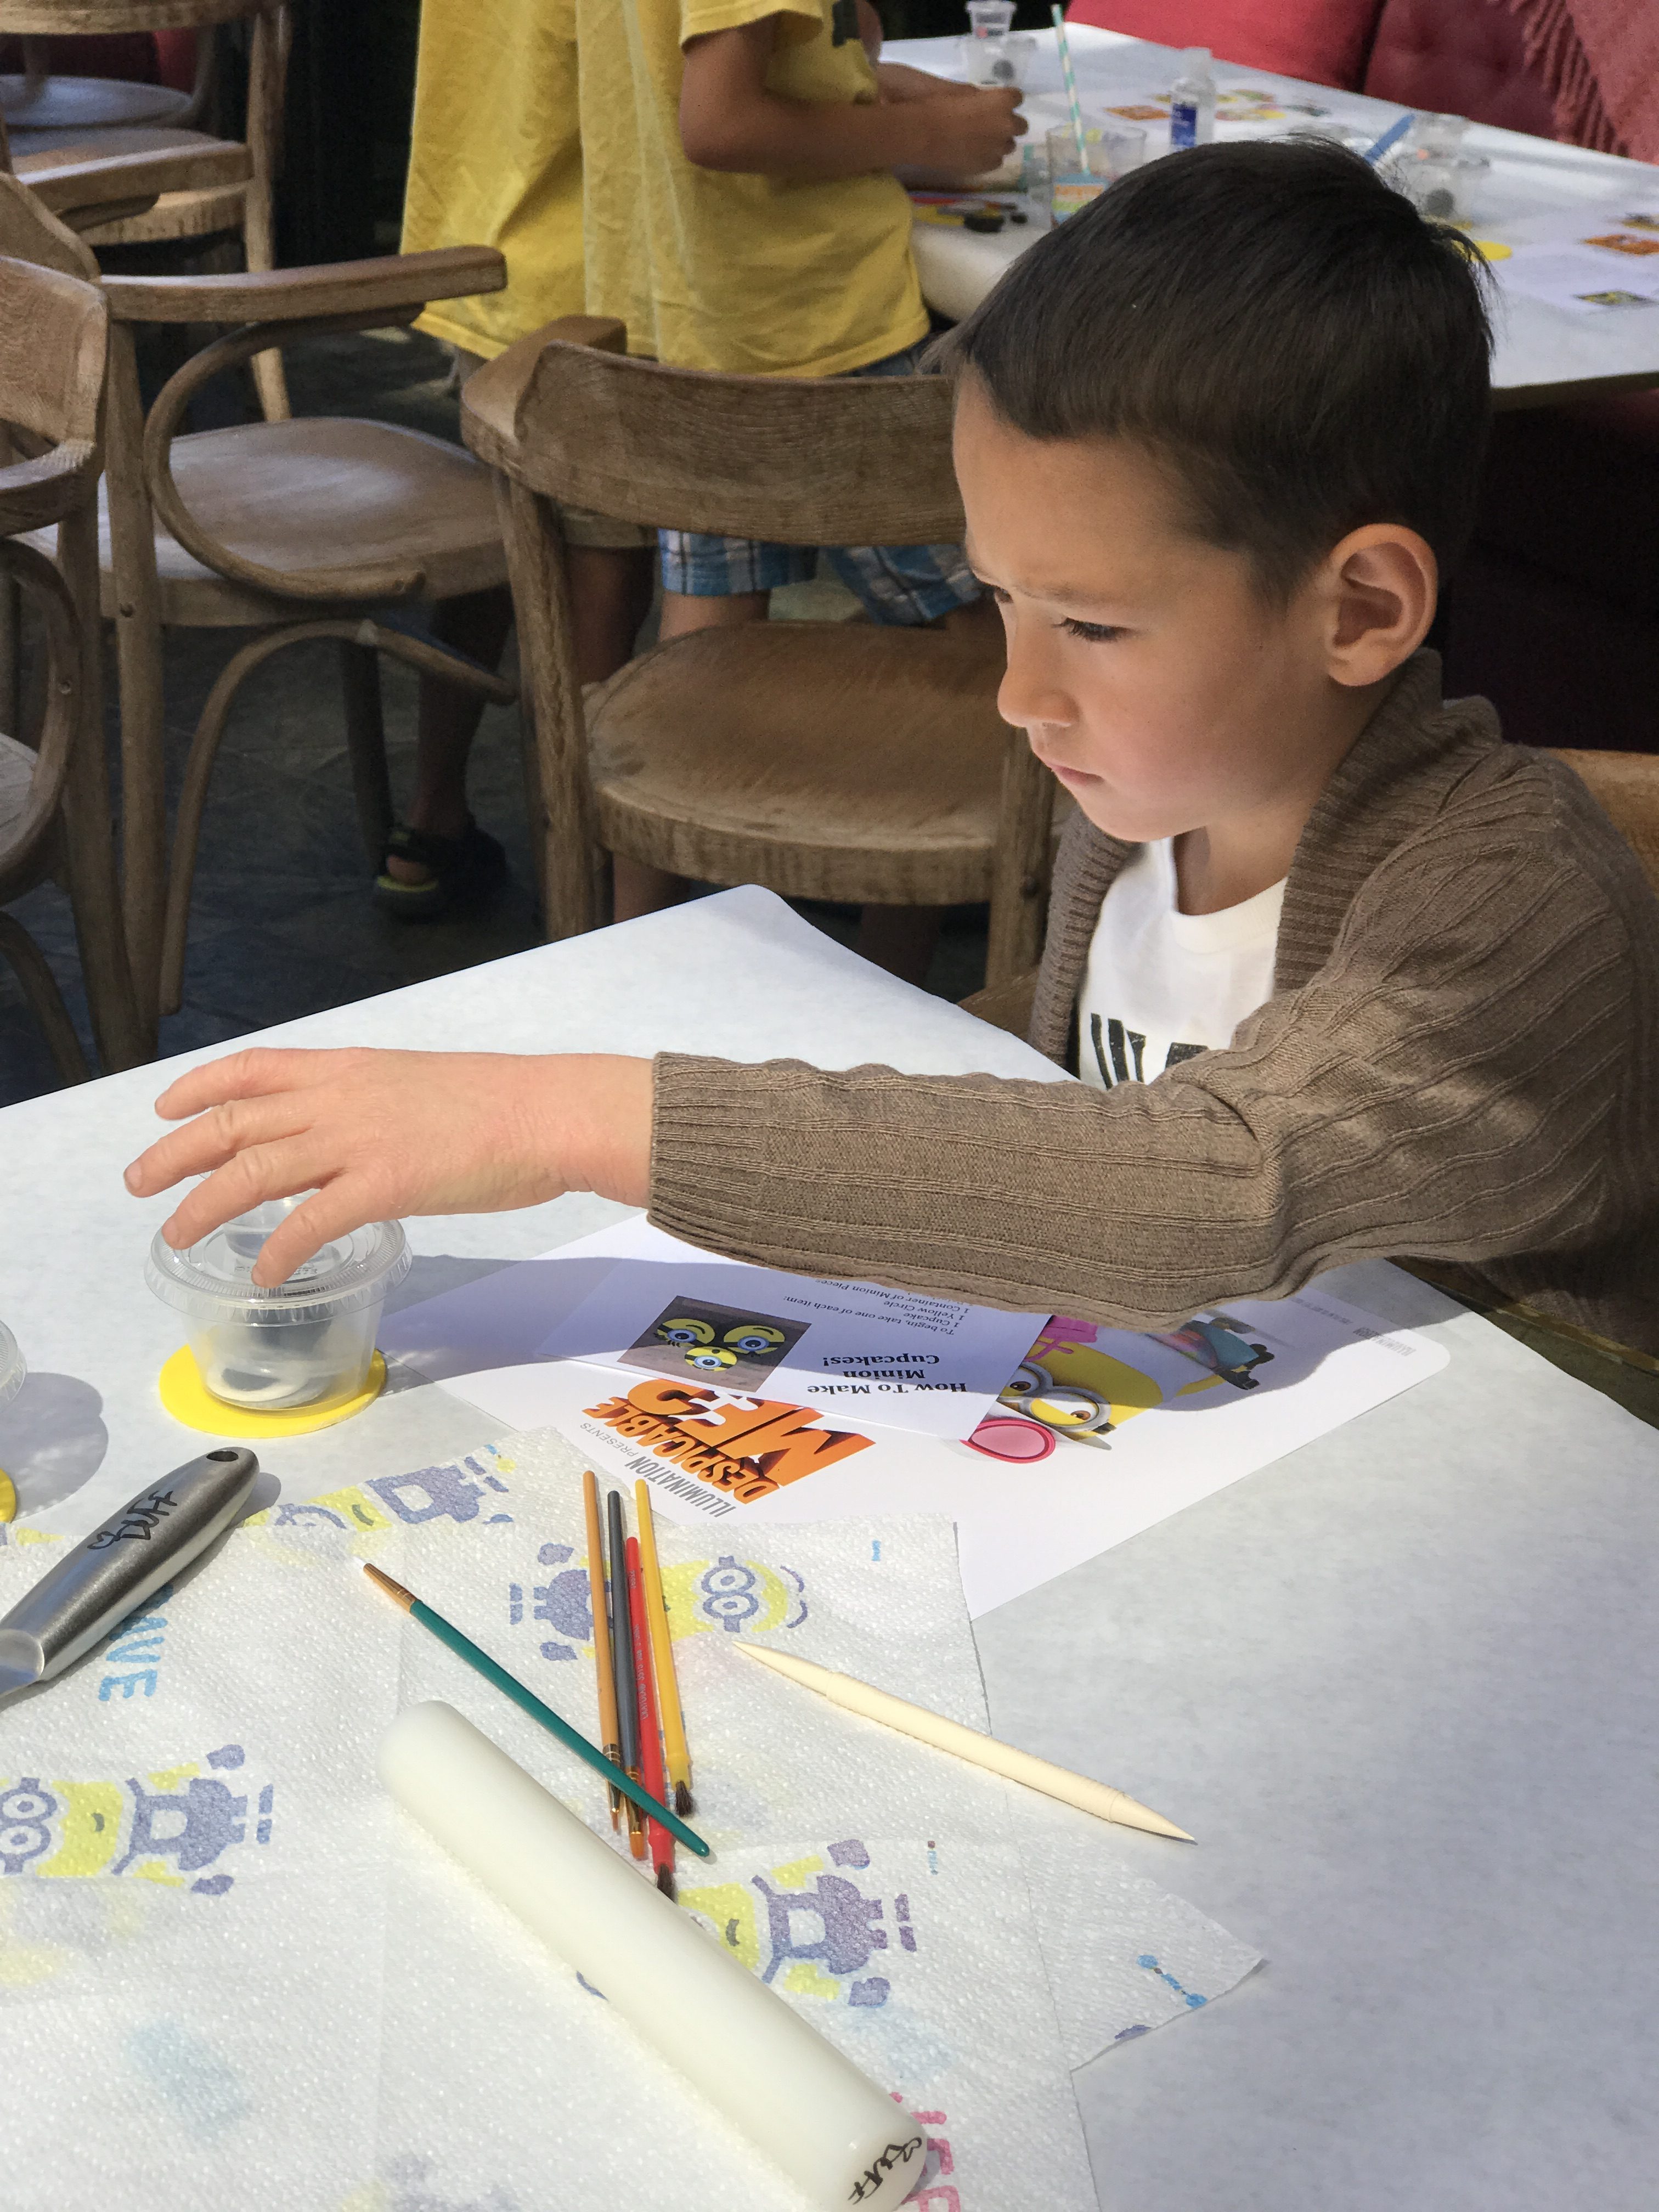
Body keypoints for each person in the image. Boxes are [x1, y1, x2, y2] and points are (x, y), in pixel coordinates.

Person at [125, 144, 1659, 1356]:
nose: (1019, 693)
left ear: (1362, 609)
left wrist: (565, 1118)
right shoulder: (1148, 802)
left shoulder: (1509, 901)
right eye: (1000, 600)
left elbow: (1214, 1184)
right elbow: (1067, 1081)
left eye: (1093, 624)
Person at [579, 0, 1024, 933]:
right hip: (818, 314)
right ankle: (906, 969)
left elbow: (758, 64)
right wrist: (932, 134)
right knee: (993, 645)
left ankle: (636, 946)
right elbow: (722, 122)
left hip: (704, 304)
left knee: (700, 656)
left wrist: (869, 75)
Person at [384, 0, 656, 917]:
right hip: (594, 272)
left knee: (501, 557)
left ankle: (431, 821)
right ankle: (587, 878)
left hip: (487, 239)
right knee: (599, 586)